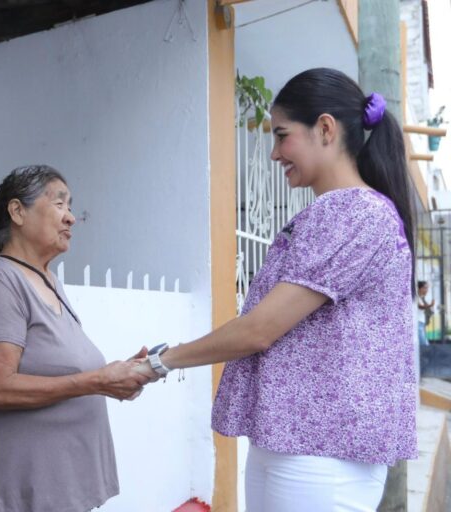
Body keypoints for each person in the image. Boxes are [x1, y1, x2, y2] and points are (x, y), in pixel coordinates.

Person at [136, 68, 417, 511]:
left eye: (282, 135)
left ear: (325, 128)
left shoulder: (357, 213)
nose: (273, 154)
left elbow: (259, 330)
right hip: (295, 444)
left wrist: (159, 362)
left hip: (324, 456)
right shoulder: (338, 213)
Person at [0, 165, 150, 512]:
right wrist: (98, 380)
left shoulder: (46, 280)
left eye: (70, 206)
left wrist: (116, 376)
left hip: (61, 487)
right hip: (25, 493)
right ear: (17, 212)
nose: (71, 218)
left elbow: (59, 364)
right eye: (59, 204)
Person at [417, 280, 434, 345]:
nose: (427, 290)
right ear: (420, 288)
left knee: (424, 341)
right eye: (425, 288)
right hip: (418, 322)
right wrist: (430, 305)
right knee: (424, 343)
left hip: (422, 322)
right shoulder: (417, 297)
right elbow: (420, 306)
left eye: (427, 288)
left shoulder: (422, 298)